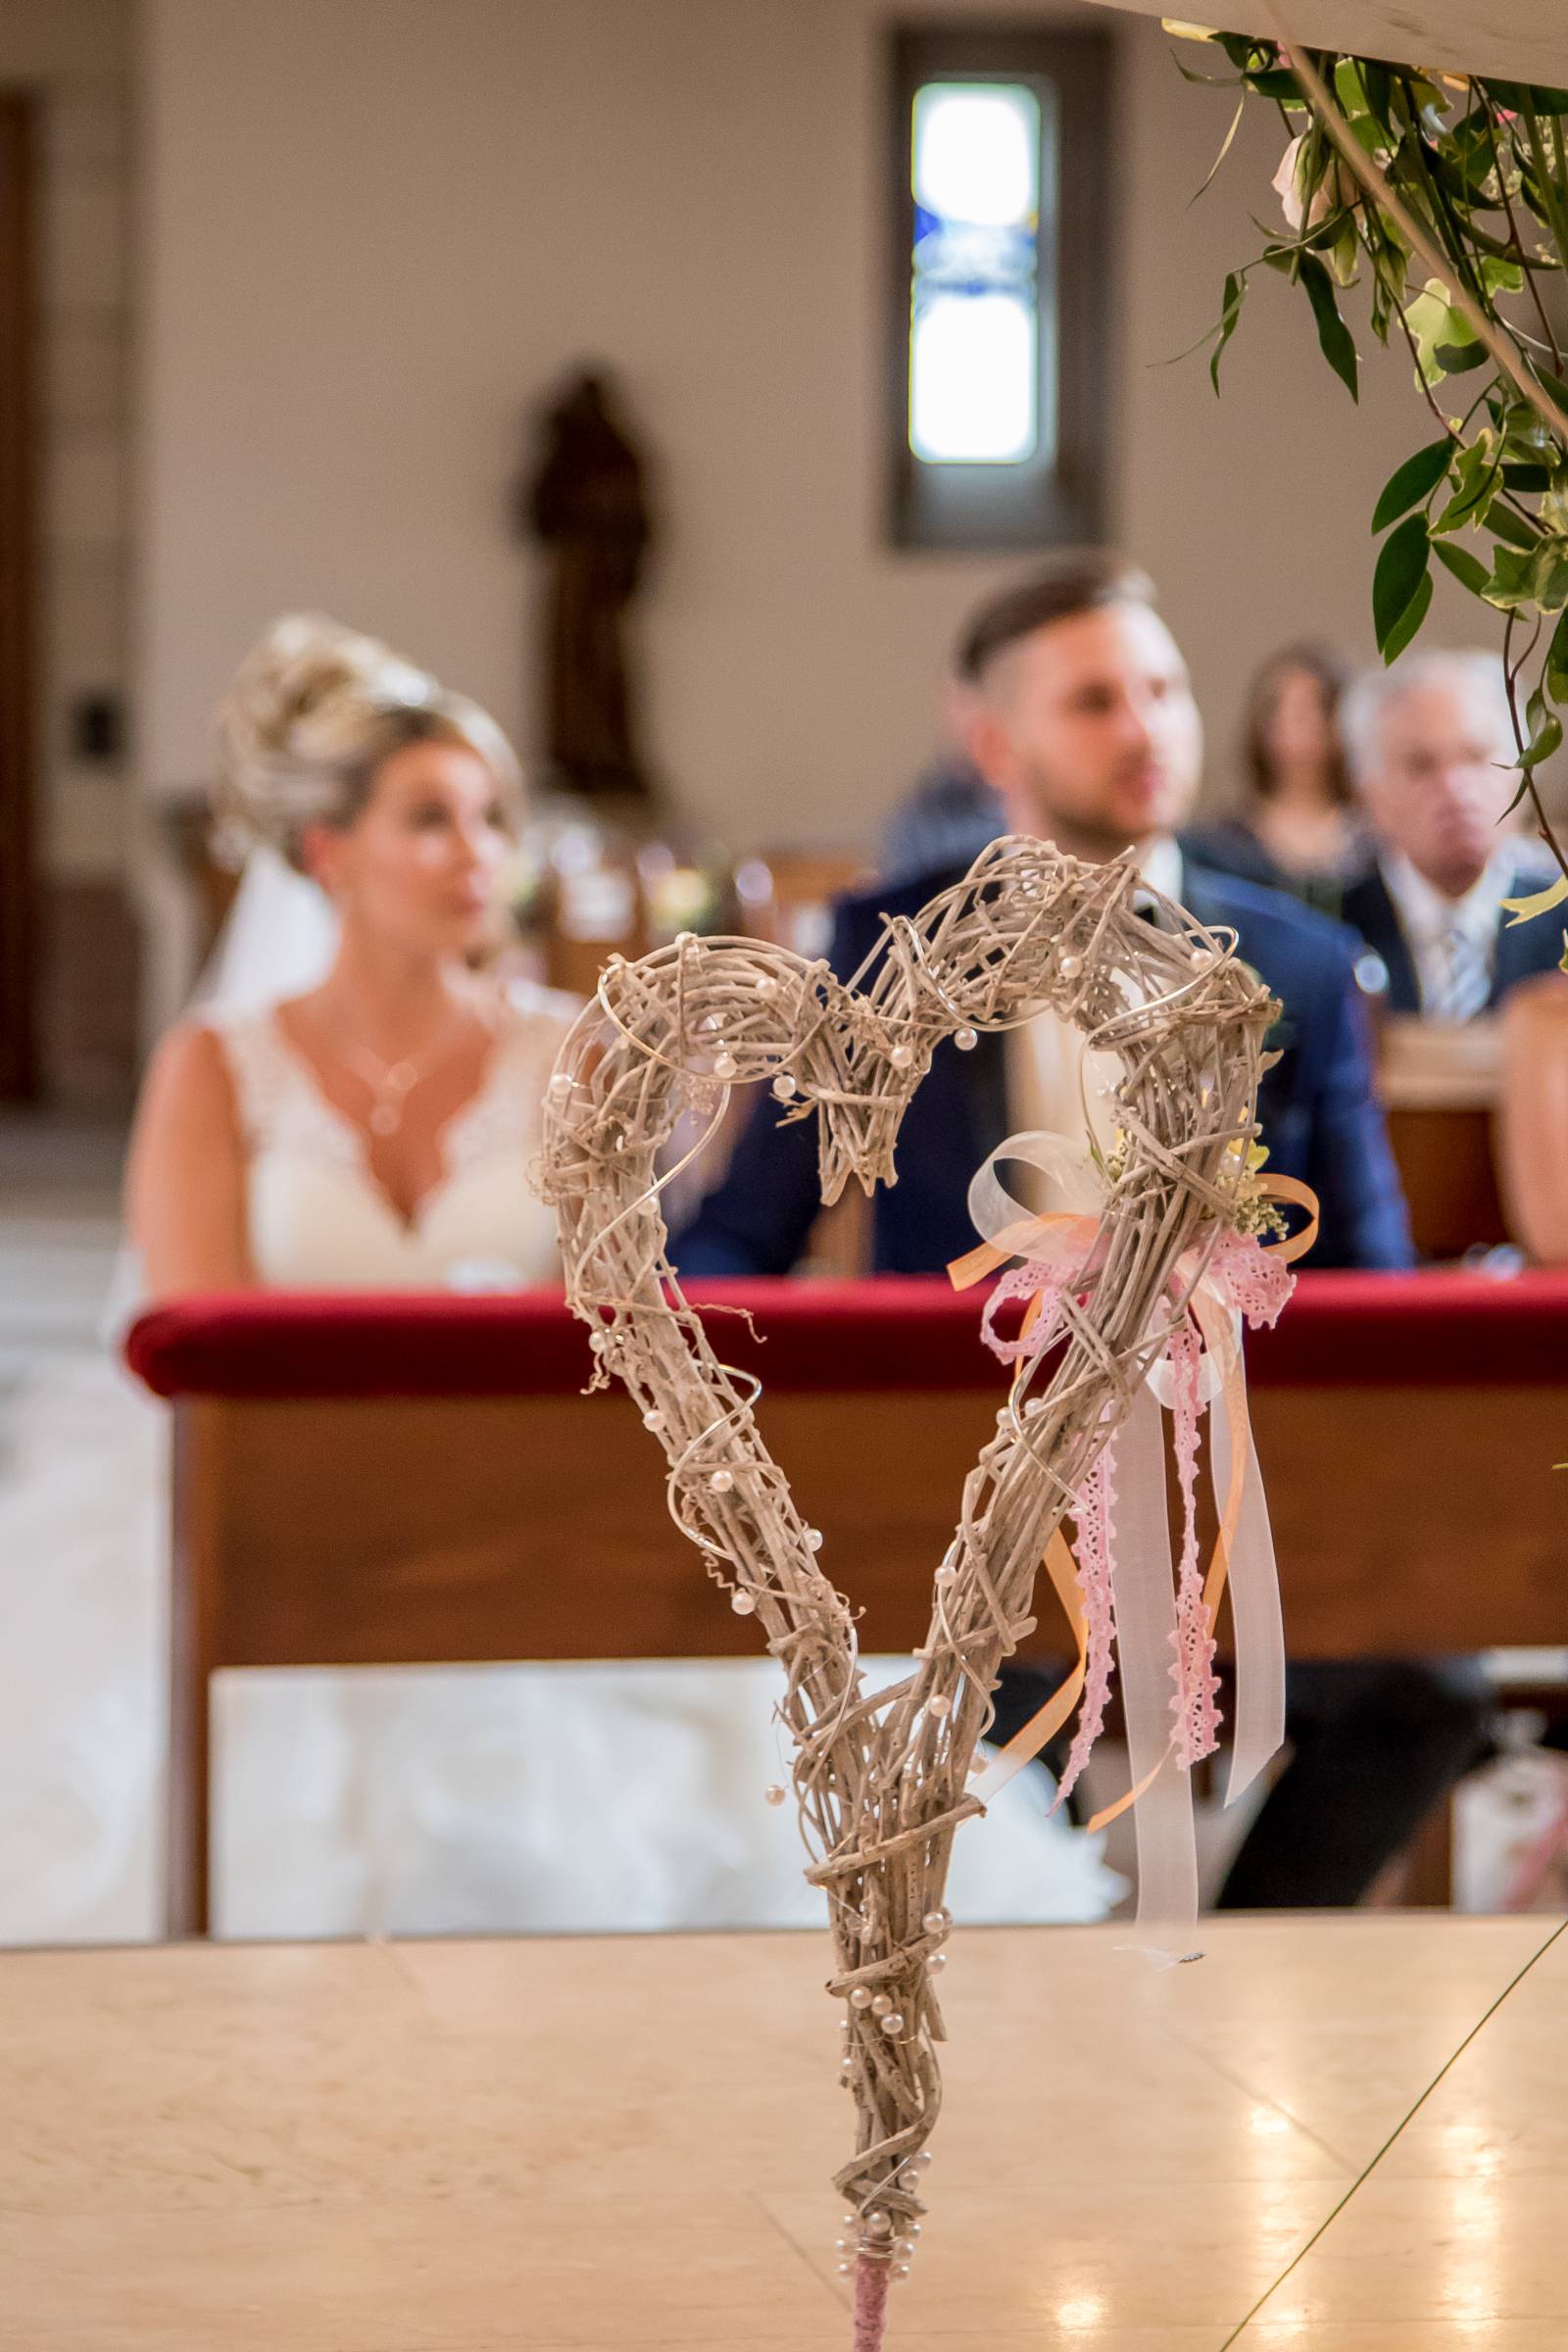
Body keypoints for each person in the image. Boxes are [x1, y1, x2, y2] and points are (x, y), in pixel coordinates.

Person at [120, 614, 1118, 1938]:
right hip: (285, 1502)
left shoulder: (574, 1058)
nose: (479, 855)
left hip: (530, 1499)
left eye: (494, 819)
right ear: (326, 853)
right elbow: (200, 1344)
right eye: (431, 820)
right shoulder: (217, 1063)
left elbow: (628, 1322)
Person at [676, 557, 1488, 1910]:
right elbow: (730, 1251)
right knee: (940, 1730)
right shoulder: (885, 954)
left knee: (1433, 1682)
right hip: (957, 1508)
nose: (1148, 729)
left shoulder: (1290, 961)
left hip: (1225, 1489)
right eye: (1096, 700)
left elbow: (1369, 1277)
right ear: (994, 740)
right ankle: (1043, 1951)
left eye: (1164, 691)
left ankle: (1230, 1974)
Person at [1336, 649, 1565, 1019]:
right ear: (1371, 794)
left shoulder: (1563, 920)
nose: (1456, 790)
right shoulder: (1332, 928)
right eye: (1422, 766)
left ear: (1521, 776)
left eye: (1477, 757)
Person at [1183, 641, 1375, 915]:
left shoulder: (1375, 843)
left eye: (1306, 710)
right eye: (1276, 709)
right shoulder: (1220, 845)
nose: (1287, 724)